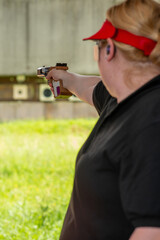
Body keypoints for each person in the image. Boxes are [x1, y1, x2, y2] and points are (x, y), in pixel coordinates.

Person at [46, 0, 160, 239]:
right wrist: (65, 78)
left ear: (108, 49)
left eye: (98, 45)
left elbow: (152, 231)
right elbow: (92, 87)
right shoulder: (126, 96)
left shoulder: (151, 121)